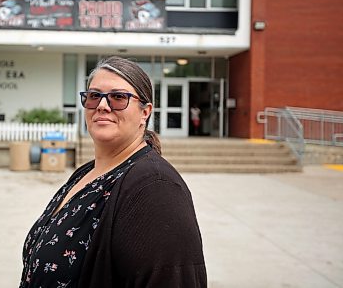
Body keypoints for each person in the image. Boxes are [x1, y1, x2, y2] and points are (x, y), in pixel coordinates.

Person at [19, 56, 206, 288]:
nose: (102, 106)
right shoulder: (85, 173)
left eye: (119, 97)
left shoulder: (155, 188)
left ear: (145, 112)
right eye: (94, 96)